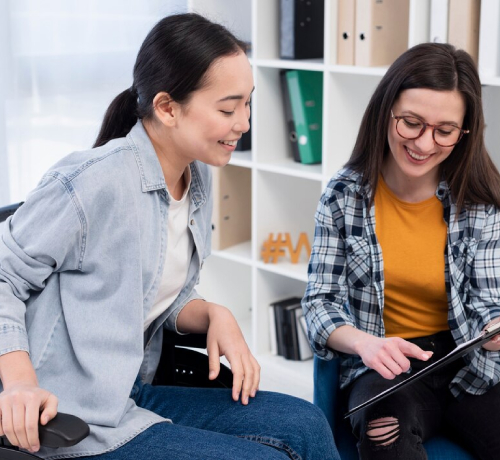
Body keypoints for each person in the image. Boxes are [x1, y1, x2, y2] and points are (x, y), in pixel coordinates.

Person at [0, 13, 339, 460]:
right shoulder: (93, 181)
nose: (245, 123)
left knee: (308, 424)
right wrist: (21, 383)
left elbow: (152, 291)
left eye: (248, 103)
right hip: (72, 415)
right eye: (227, 108)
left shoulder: (197, 173)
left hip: (133, 389)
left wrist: (213, 314)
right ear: (166, 108)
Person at [302, 42, 500, 460]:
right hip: (387, 366)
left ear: (464, 132)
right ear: (386, 110)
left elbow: (487, 303)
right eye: (411, 123)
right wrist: (365, 345)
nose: (425, 143)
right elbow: (320, 304)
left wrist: (495, 330)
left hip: (471, 368)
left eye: (444, 131)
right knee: (383, 431)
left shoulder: (480, 202)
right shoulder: (344, 196)